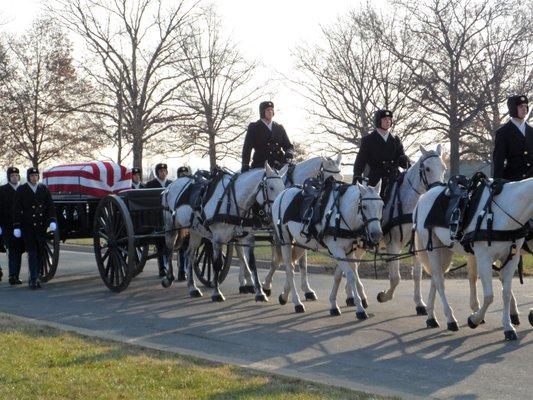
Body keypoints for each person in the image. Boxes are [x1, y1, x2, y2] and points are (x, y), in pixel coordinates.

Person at [12, 167, 56, 289]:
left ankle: (37, 274)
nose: (34, 178)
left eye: (36, 175)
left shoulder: (43, 189)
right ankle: (33, 279)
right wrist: (16, 226)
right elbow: (16, 208)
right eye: (32, 176)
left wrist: (52, 220)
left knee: (40, 252)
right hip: (28, 225)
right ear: (28, 177)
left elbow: (50, 206)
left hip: (41, 226)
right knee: (32, 252)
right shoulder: (22, 189)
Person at [353, 109, 409, 199]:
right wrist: (357, 176)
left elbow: (401, 158)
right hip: (375, 181)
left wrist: (406, 162)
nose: (388, 121)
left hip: (394, 178)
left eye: (390, 119)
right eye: (385, 119)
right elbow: (360, 161)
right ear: (378, 121)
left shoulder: (396, 139)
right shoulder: (368, 140)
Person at [241, 101, 295, 172]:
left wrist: (288, 154)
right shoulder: (254, 127)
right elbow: (247, 148)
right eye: (267, 110)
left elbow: (288, 146)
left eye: (271, 109)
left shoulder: (279, 128)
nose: (270, 111)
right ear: (262, 112)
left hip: (279, 164)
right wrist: (245, 165)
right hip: (261, 165)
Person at [493, 95, 533, 181]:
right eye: (520, 106)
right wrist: (497, 183)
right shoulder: (503, 132)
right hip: (513, 182)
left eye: (526, 106)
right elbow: (498, 161)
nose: (524, 109)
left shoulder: (531, 131)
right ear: (513, 108)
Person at [144, 163, 172, 277]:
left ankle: (170, 267)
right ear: (157, 173)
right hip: (156, 216)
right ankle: (162, 268)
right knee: (160, 243)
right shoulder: (151, 184)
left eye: (165, 171)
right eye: (161, 171)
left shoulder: (171, 184)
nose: (163, 173)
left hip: (169, 215)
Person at [0, 167, 25, 285]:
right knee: (12, 250)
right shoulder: (2, 190)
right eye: (12, 176)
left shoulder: (22, 189)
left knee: (19, 250)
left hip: (20, 226)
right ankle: (12, 276)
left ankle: (16, 275)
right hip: (8, 225)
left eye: (16, 175)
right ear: (9, 178)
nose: (15, 177)